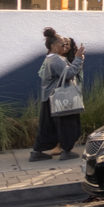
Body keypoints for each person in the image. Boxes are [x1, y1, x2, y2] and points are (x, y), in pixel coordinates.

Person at [30, 28, 84, 161]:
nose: (66, 46)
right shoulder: (55, 59)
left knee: (48, 126)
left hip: (49, 98)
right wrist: (78, 59)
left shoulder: (51, 59)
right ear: (54, 46)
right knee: (67, 125)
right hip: (59, 98)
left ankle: (37, 152)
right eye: (63, 44)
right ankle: (66, 151)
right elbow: (69, 73)